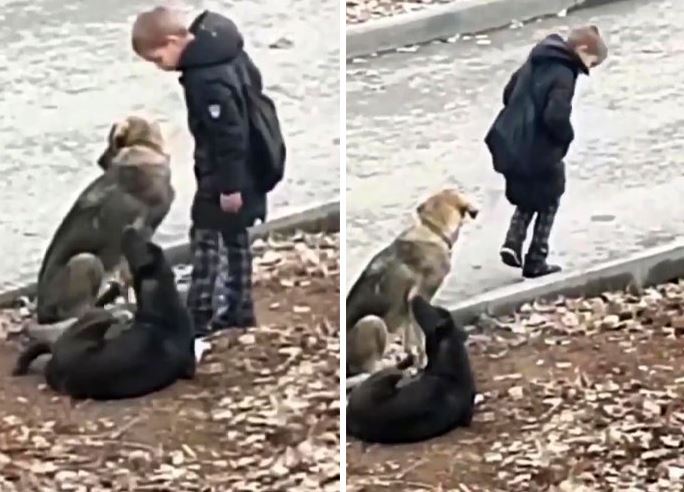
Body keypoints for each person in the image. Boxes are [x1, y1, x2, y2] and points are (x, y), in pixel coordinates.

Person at [131, 7, 267, 335]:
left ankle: (198, 316)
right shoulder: (224, 51)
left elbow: (227, 133)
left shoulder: (204, 79)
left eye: (157, 58)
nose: (160, 67)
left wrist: (228, 186)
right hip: (249, 165)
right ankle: (239, 309)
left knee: (206, 239)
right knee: (236, 237)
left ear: (174, 40)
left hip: (225, 174)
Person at [485, 26, 608, 279]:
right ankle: (536, 259)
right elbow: (556, 115)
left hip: (510, 140)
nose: (588, 70)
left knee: (531, 192)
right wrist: (566, 136)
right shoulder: (565, 72)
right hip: (539, 146)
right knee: (551, 197)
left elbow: (509, 91)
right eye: (591, 63)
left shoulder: (538, 57)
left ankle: (513, 241)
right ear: (582, 50)